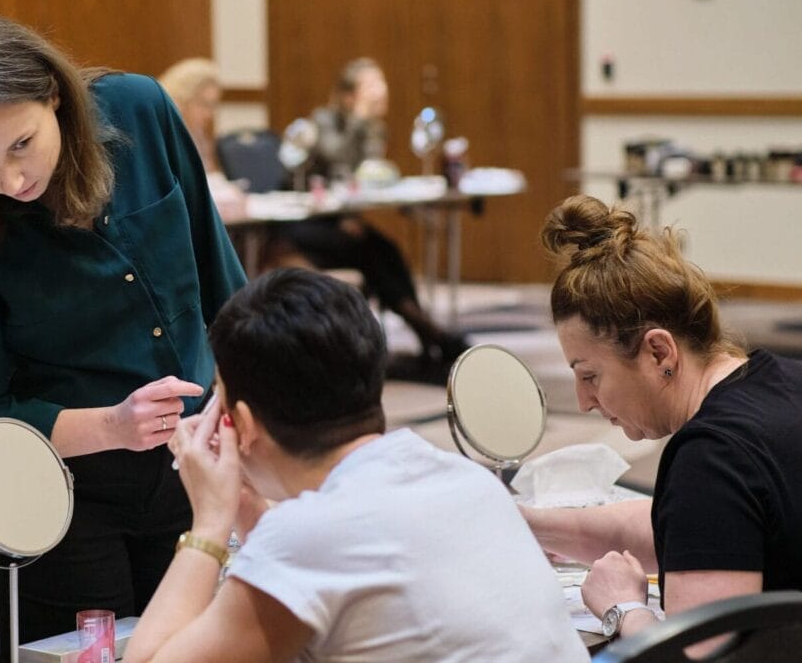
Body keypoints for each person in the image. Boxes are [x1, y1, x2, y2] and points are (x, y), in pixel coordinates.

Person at [0, 12, 246, 657]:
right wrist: (111, 426)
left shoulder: (139, 110)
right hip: (55, 494)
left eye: (21, 144)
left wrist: (243, 411)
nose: (9, 180)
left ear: (55, 96)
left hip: (191, 463)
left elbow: (223, 282)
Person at [124, 268, 588, 662]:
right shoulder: (466, 479)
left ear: (240, 423)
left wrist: (209, 522)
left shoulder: (310, 535)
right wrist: (244, 503)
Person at [522, 194, 802, 647]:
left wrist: (623, 608)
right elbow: (685, 527)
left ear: (658, 352)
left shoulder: (712, 458)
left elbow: (695, 659)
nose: (583, 402)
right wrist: (531, 523)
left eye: (590, 376)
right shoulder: (785, 381)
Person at [285, 58, 468, 370]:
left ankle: (423, 326)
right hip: (306, 224)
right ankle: (425, 328)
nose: (381, 90)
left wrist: (366, 126)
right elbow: (337, 159)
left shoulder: (374, 127)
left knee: (387, 250)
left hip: (341, 221)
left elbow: (366, 172)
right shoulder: (322, 121)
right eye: (371, 84)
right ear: (348, 96)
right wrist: (358, 119)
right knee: (371, 253)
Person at [157, 58, 247, 221]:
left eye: (214, 105)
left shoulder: (197, 133)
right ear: (181, 99)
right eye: (204, 104)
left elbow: (208, 175)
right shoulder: (163, 134)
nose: (210, 114)